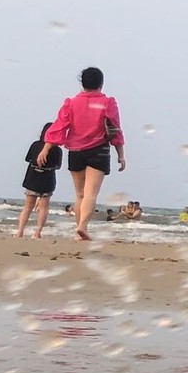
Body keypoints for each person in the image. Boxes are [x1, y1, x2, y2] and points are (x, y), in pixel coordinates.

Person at [39, 67, 124, 242]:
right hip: (98, 150)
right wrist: (120, 154)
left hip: (75, 152)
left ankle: (79, 232)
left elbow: (59, 127)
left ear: (82, 83)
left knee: (79, 194)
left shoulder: (71, 103)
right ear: (101, 83)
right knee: (90, 193)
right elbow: (115, 129)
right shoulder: (107, 103)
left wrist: (46, 148)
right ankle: (82, 227)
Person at [15, 123, 61, 239]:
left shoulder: (35, 145)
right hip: (48, 178)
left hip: (33, 176)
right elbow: (58, 166)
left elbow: (28, 159)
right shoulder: (57, 150)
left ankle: (20, 232)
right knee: (44, 207)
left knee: (27, 206)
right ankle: (37, 232)